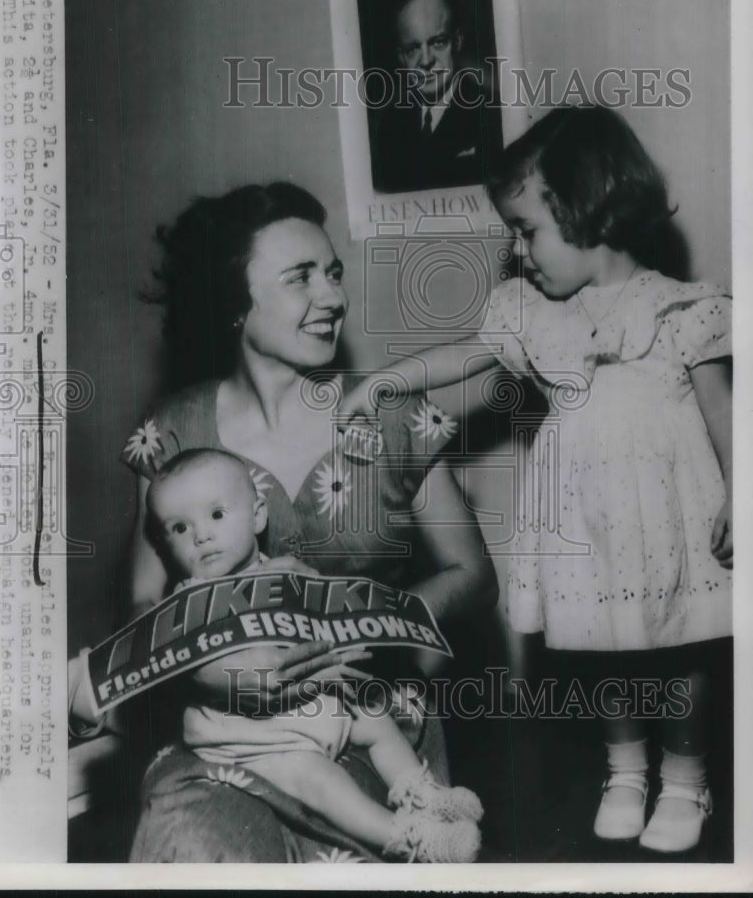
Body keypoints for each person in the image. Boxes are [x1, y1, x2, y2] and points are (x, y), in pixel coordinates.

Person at [340, 106, 732, 854]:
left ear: (591, 208)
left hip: (669, 517)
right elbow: (464, 355)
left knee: (678, 650)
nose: (519, 252)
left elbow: (724, 412)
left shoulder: (682, 307)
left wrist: (741, 493)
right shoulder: (532, 314)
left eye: (528, 230)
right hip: (586, 517)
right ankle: (625, 770)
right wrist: (387, 380)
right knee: (604, 646)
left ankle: (687, 778)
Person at [121, 182, 498, 862]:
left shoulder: (392, 415)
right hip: (226, 728)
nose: (332, 296)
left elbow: (472, 574)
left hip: (371, 714)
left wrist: (366, 628)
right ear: (234, 303)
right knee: (193, 845)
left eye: (333, 272)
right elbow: (145, 602)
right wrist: (210, 676)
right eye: (300, 277)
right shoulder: (170, 432)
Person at [139, 446, 484, 862]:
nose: (201, 536)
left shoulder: (283, 570)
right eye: (179, 527)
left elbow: (325, 617)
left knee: (374, 718)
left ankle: (422, 794)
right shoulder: (189, 601)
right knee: (318, 780)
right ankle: (410, 838)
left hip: (311, 701)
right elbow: (183, 658)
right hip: (252, 738)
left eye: (216, 515)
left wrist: (337, 620)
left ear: (258, 517)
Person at [371, 0, 501, 193]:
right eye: (413, 48)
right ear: (401, 57)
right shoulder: (390, 125)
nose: (425, 61)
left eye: (438, 42)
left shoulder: (493, 110)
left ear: (457, 41)